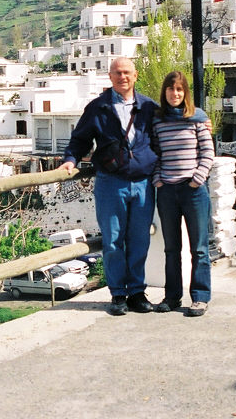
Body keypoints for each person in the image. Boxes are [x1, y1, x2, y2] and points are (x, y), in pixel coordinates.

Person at [59, 57, 159, 315]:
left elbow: (172, 127)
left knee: (139, 240)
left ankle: (137, 292)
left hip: (142, 184)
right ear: (110, 76)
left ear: (135, 75)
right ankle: (118, 295)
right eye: (117, 73)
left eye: (127, 72)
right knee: (113, 240)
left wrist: (200, 122)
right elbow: (79, 140)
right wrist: (70, 161)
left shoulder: (149, 107)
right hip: (110, 183)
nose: (122, 77)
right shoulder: (98, 107)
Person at [151, 71, 215, 317]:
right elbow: (155, 153)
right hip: (167, 191)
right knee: (171, 248)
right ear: (164, 92)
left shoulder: (197, 118)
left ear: (185, 92)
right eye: (170, 89)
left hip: (194, 191)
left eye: (179, 90)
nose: (175, 94)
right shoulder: (158, 120)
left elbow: (208, 152)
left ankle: (199, 297)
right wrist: (158, 179)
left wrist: (197, 178)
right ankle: (172, 297)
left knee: (199, 248)